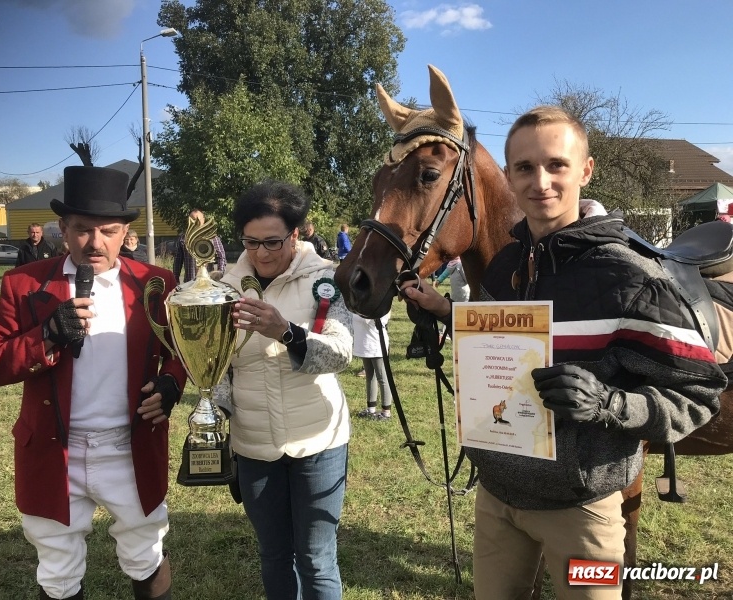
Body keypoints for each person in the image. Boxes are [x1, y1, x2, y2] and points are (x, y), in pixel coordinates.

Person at [401, 106, 726, 599]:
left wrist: (609, 405)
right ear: (508, 176)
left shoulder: (630, 278)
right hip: (496, 499)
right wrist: (445, 312)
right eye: (525, 168)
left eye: (556, 164)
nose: (541, 182)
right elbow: (499, 339)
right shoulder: (502, 267)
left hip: (583, 510)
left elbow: (699, 396)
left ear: (585, 170)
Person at [0, 166, 187, 600]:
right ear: (63, 229)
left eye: (107, 231)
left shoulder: (156, 283)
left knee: (147, 554)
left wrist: (171, 385)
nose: (95, 242)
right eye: (82, 230)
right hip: (57, 450)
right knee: (57, 571)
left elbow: (179, 354)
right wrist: (47, 335)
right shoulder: (24, 284)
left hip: (129, 446)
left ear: (125, 231)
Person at [213, 180, 352, 600]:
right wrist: (212, 409)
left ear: (296, 234)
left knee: (316, 558)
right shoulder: (222, 288)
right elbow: (217, 368)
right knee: (274, 555)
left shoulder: (326, 279)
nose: (261, 253)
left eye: (273, 242)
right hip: (254, 445)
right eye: (251, 242)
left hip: (319, 441)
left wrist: (286, 332)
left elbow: (340, 354)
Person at [353, 312, 392, 421]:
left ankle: (386, 412)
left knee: (382, 378)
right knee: (370, 377)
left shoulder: (380, 308)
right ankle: (371, 409)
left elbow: (366, 318)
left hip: (376, 346)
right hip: (365, 346)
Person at [173, 208, 226, 282]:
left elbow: (221, 256)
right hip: (190, 284)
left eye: (198, 219)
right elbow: (177, 261)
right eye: (193, 219)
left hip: (209, 283)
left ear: (203, 220)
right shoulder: (183, 238)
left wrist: (220, 273)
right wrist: (175, 279)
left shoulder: (212, 237)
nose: (195, 222)